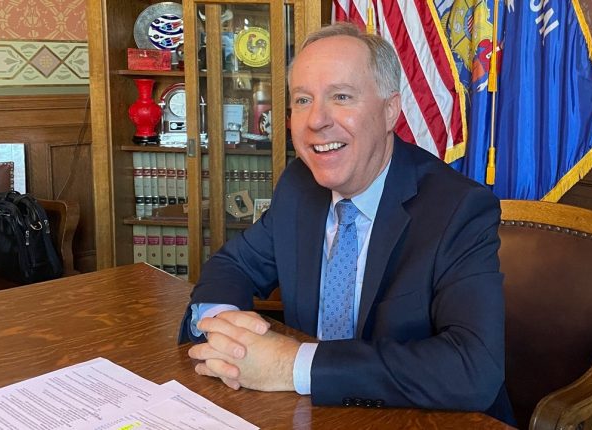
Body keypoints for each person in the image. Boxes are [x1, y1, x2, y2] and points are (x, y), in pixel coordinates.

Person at [178, 22, 514, 422]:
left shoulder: (458, 208)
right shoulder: (300, 185)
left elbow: (473, 368)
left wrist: (291, 365)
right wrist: (222, 327)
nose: (316, 120)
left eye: (341, 96)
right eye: (303, 100)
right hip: (310, 413)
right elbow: (234, 264)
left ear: (390, 111)